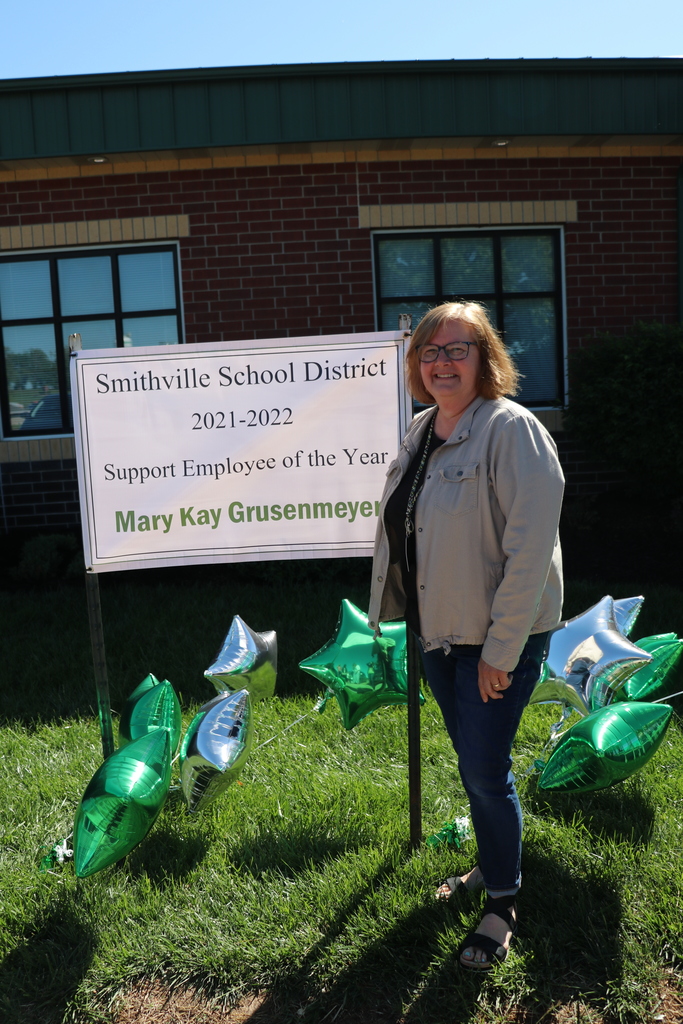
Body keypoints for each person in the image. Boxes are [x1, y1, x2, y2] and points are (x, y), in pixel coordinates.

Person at [368, 301, 564, 971]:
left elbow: (530, 550)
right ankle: (492, 861)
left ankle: (502, 902)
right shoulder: (424, 429)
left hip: (492, 638)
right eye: (429, 352)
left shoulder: (511, 429)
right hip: (439, 631)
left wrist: (501, 652)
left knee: (484, 770)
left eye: (457, 350)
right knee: (473, 766)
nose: (441, 362)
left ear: (485, 361)